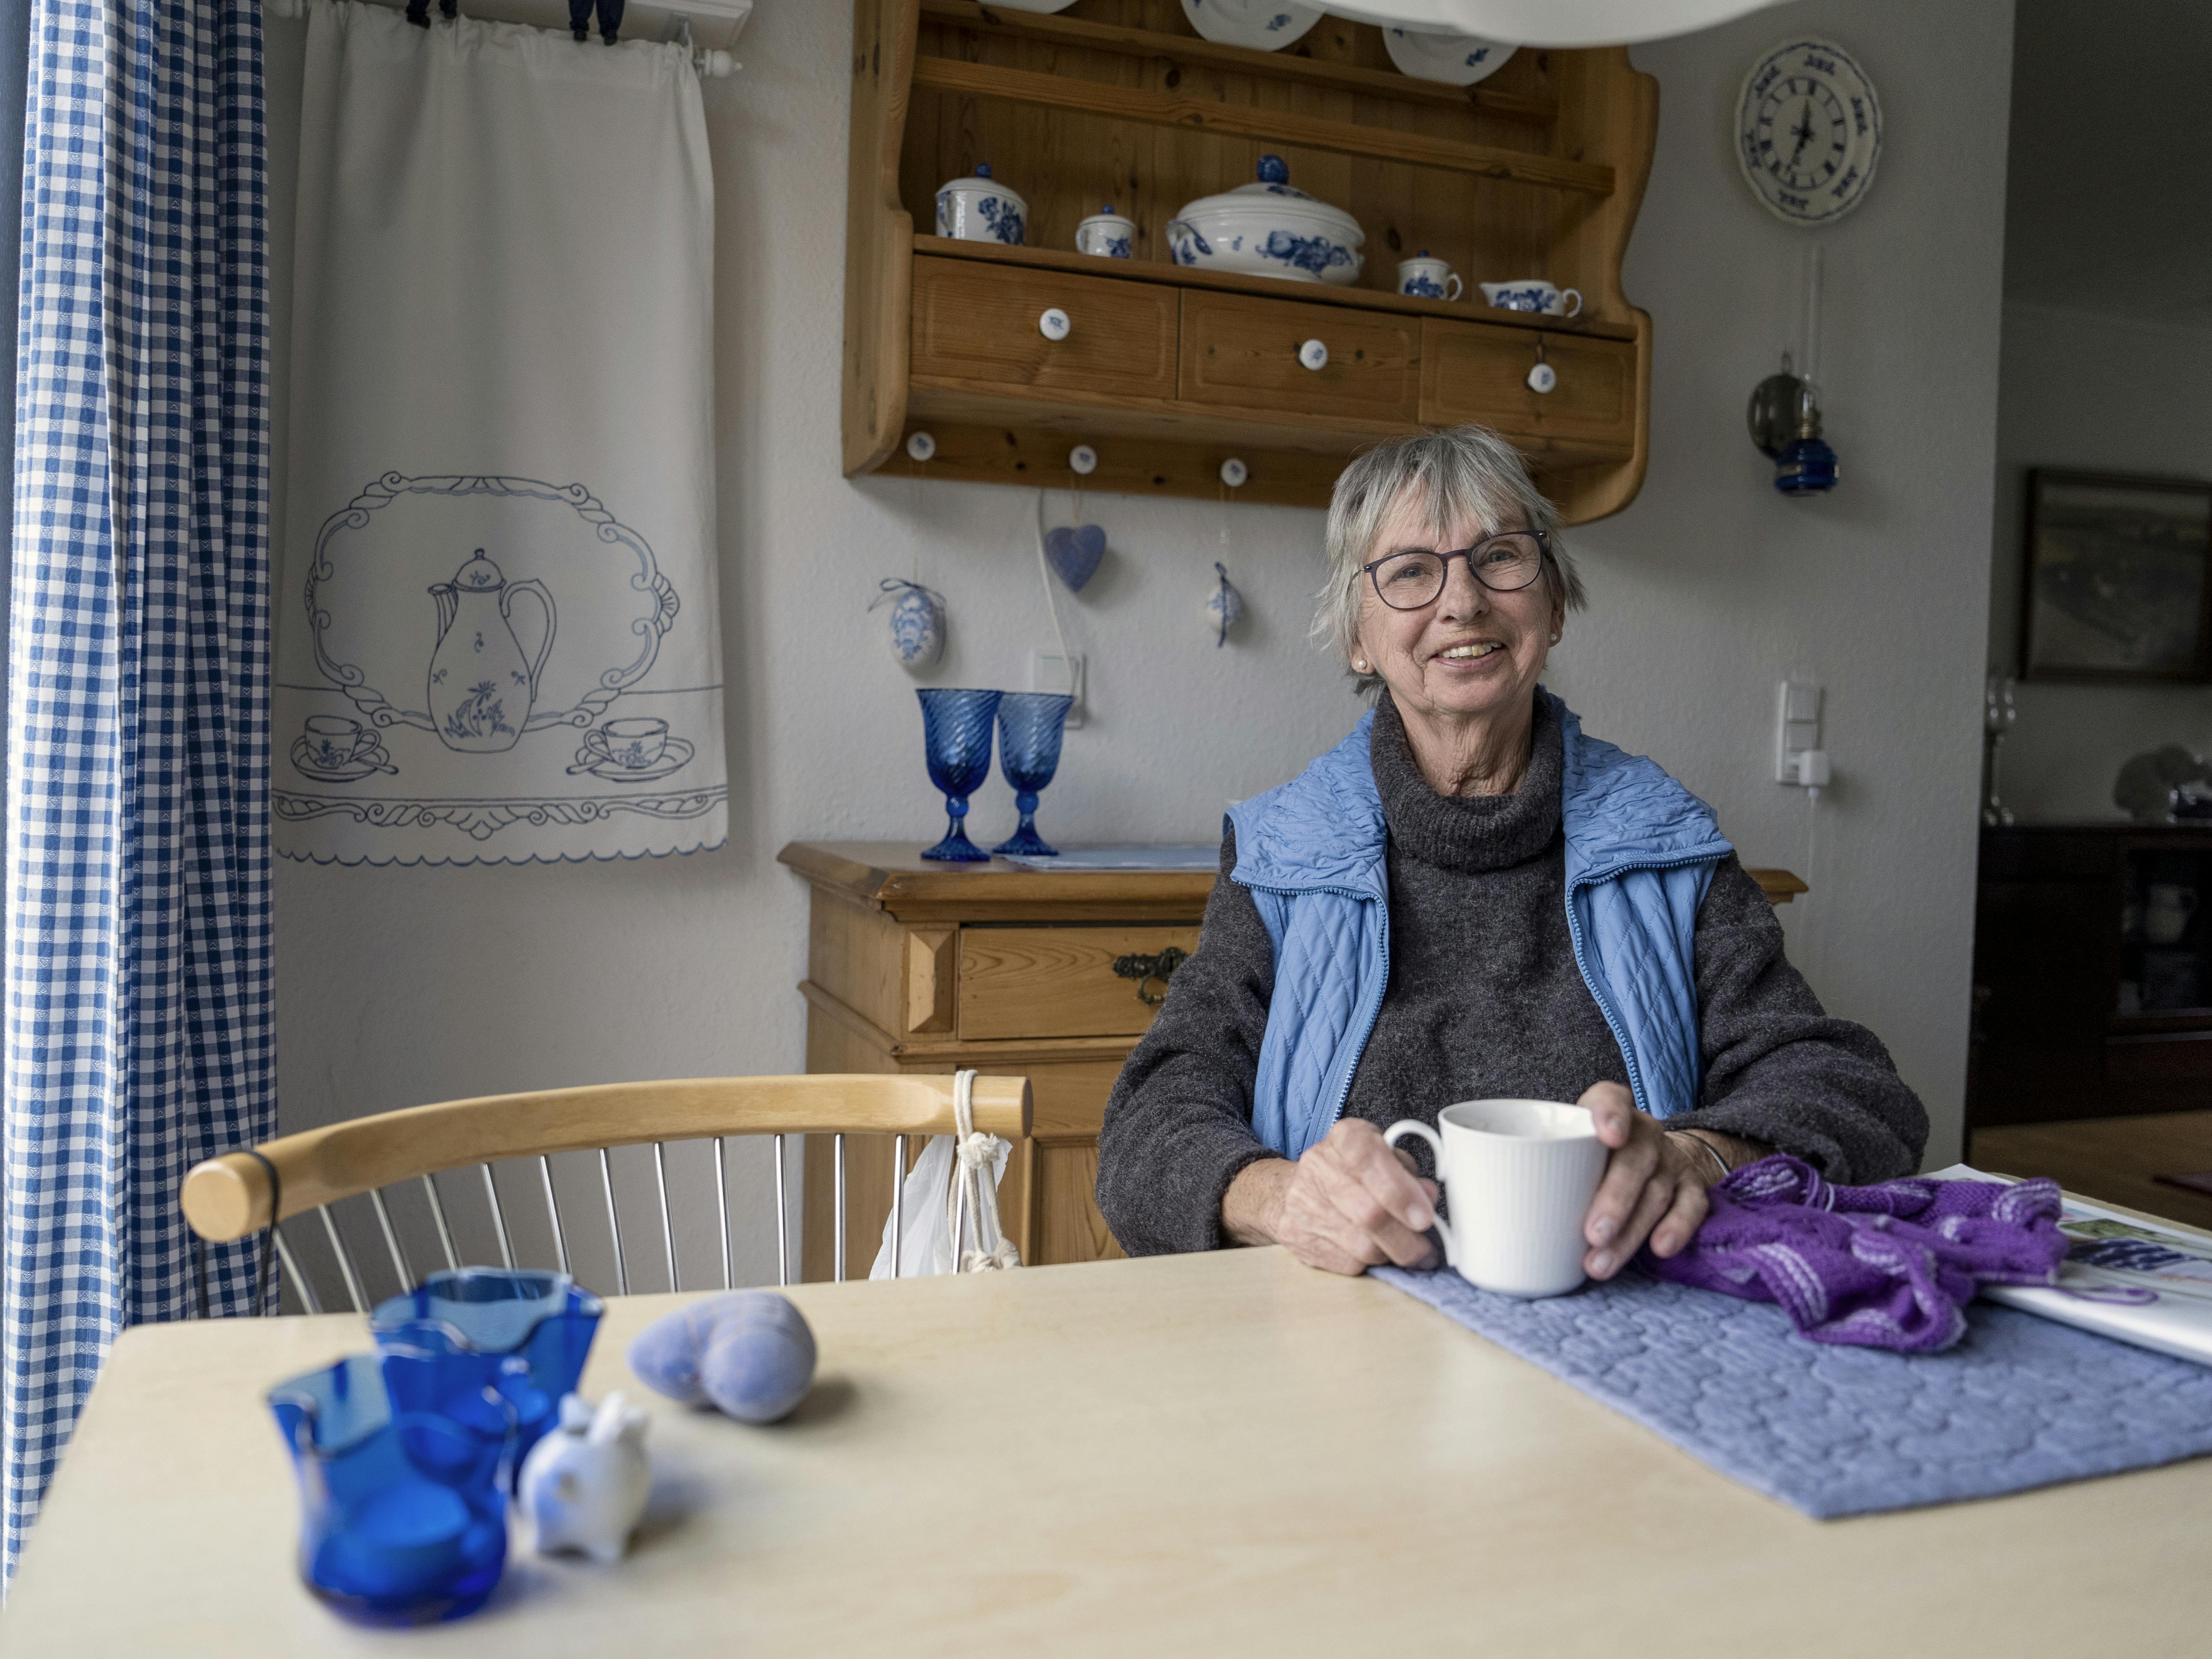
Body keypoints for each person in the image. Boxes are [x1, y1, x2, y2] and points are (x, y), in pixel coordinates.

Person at [1095, 425, 1926, 1279]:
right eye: (1412, 570)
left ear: (1555, 605)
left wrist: (1697, 1156)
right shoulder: (1281, 852)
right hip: (1342, 1327)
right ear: (1357, 635)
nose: (1463, 601)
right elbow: (1148, 1126)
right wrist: (1280, 1195)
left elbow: (1855, 1091)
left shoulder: (1662, 839)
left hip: (1622, 1320)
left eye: (1499, 556)